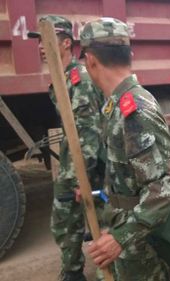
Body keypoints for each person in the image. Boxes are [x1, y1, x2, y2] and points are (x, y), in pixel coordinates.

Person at [81, 18, 170, 281]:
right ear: (130, 55)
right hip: (123, 228)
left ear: (90, 60)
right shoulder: (115, 104)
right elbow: (125, 172)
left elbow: (168, 181)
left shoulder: (134, 110)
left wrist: (121, 237)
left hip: (138, 242)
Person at [27, 16, 105, 281]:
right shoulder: (63, 77)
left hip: (83, 164)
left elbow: (88, 133)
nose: (39, 46)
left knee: (66, 219)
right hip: (75, 160)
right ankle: (73, 271)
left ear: (66, 43)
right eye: (37, 40)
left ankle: (75, 273)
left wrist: (78, 177)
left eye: (45, 40)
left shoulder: (78, 80)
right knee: (68, 222)